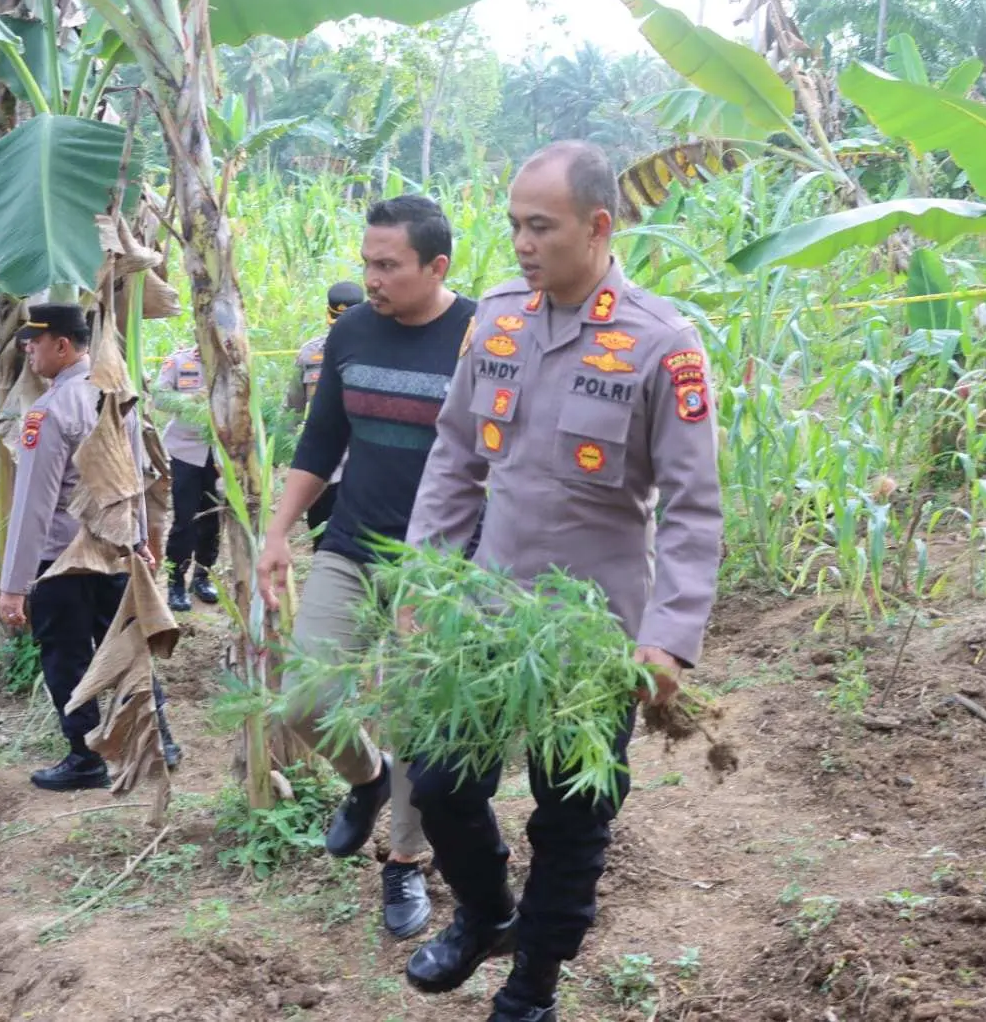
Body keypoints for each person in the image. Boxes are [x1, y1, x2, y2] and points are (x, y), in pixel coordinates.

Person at [400, 141, 723, 1022]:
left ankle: (533, 984)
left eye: (539, 226)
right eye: (513, 224)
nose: (520, 244)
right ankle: (488, 914)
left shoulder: (662, 345)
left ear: (598, 226)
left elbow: (694, 509)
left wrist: (668, 637)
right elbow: (456, 458)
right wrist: (426, 583)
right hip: (487, 611)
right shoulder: (497, 318)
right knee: (437, 782)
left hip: (593, 632)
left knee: (570, 813)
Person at [256, 195, 478, 940]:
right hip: (351, 545)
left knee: (420, 720)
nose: (372, 278)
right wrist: (279, 532)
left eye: (388, 265)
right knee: (306, 696)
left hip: (443, 566)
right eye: (367, 264)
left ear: (436, 266)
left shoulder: (480, 338)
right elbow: (320, 444)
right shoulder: (350, 332)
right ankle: (367, 778)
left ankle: (406, 864)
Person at [0, 303, 182, 792]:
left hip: (62, 561)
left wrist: (14, 585)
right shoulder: (116, 397)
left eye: (34, 342)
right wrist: (139, 541)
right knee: (126, 650)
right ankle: (159, 740)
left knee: (66, 661)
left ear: (62, 345)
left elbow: (33, 507)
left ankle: (85, 758)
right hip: (116, 553)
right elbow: (135, 480)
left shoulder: (50, 411)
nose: (28, 350)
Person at [285, 280, 365, 551]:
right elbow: (292, 406)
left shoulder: (382, 351)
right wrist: (281, 450)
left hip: (365, 462)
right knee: (322, 533)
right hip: (323, 465)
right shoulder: (310, 354)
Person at [155, 344, 221, 613]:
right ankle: (176, 582)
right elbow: (159, 397)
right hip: (184, 452)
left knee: (212, 519)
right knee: (185, 520)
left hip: (219, 453)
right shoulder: (179, 361)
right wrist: (188, 401)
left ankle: (202, 577)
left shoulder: (233, 361)